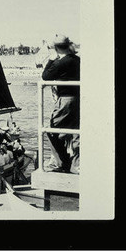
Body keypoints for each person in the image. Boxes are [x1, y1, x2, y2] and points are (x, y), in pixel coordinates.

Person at [42, 34, 80, 174]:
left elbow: (45, 76)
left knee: (51, 131)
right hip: (80, 99)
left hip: (66, 100)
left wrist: (51, 59)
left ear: (56, 48)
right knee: (76, 133)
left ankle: (63, 162)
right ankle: (76, 165)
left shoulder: (61, 62)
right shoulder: (78, 60)